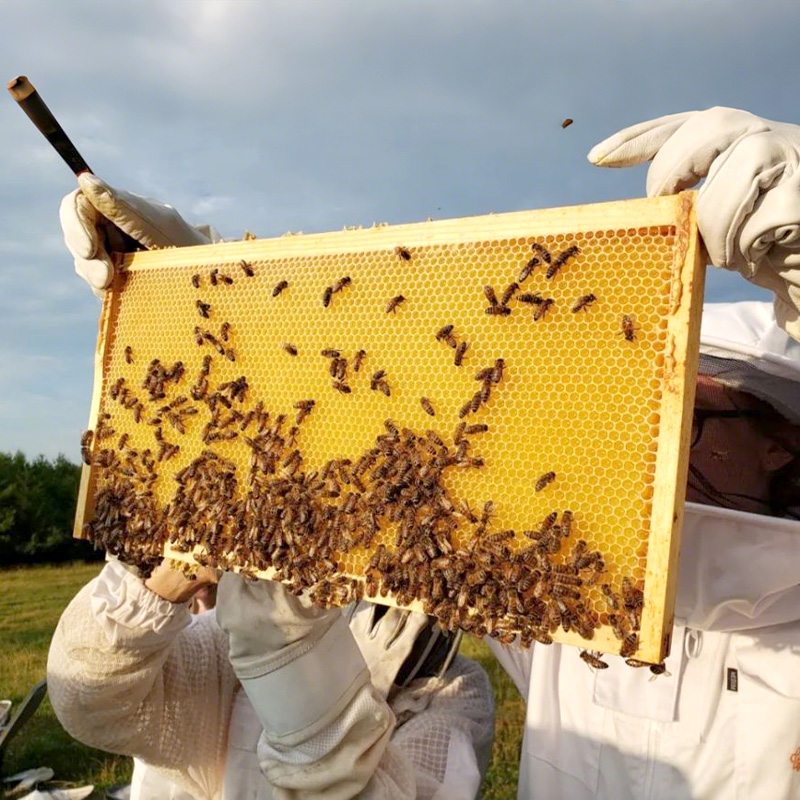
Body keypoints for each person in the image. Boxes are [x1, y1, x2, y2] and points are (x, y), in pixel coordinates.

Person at [50, 181, 495, 800]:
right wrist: (181, 294)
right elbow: (88, 698)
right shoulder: (213, 645)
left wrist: (289, 648)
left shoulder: (447, 689)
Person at [483, 107, 800, 799]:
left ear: (779, 442)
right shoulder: (561, 597)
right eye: (627, 421)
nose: (637, 450)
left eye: (672, 418)